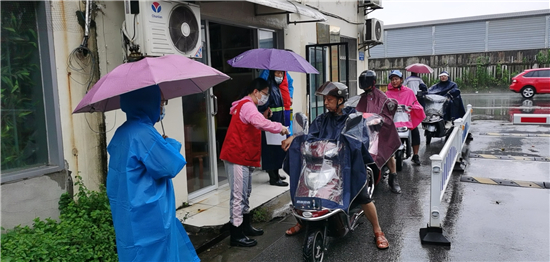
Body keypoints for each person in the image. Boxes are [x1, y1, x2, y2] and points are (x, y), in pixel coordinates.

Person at [281, 82, 389, 249]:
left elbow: (361, 140)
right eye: (325, 99)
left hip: (347, 166)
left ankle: (378, 231)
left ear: (340, 100)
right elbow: (309, 137)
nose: (325, 103)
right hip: (322, 166)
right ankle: (303, 223)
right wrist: (295, 138)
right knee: (301, 191)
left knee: (363, 197)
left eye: (329, 99)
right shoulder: (322, 119)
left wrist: (347, 144)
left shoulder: (353, 118)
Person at [106, 85, 199, 262]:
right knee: (156, 253)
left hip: (127, 210)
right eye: (161, 102)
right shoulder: (144, 133)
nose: (162, 107)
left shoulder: (124, 131)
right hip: (149, 213)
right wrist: (171, 144)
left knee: (133, 252)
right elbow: (169, 166)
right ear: (147, 102)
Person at [220, 78, 290, 247]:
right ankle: (236, 234)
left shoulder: (246, 105)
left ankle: (245, 225)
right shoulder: (247, 105)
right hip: (237, 156)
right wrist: (279, 126)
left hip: (244, 156)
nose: (265, 97)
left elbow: (254, 119)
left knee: (245, 192)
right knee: (238, 195)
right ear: (256, 91)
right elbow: (258, 122)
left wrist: (263, 115)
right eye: (265, 94)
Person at [356, 70, 402, 194]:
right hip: (364, 131)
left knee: (387, 152)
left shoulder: (383, 98)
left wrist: (377, 120)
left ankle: (393, 178)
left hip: (380, 131)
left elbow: (388, 117)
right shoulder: (361, 98)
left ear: (373, 82)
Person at [386, 70, 426, 165]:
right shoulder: (387, 93)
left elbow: (416, 103)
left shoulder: (409, 92)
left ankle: (415, 155)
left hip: (407, 119)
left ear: (401, 80)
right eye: (392, 79)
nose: (394, 81)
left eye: (396, 79)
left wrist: (412, 107)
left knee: (415, 131)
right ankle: (386, 155)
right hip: (394, 120)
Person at [258, 70, 290, 187]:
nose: (280, 76)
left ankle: (275, 173)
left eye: (281, 73)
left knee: (277, 150)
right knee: (271, 151)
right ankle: (274, 178)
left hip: (277, 122)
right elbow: (263, 105)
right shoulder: (269, 87)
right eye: (277, 73)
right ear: (272, 73)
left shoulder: (276, 86)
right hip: (271, 123)